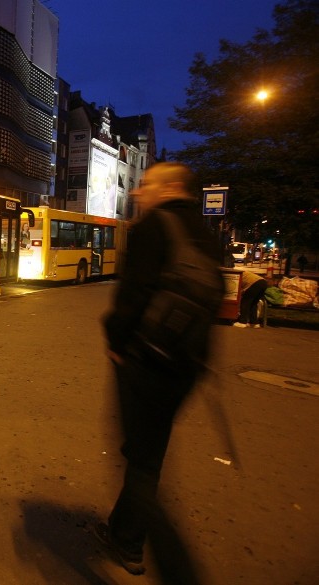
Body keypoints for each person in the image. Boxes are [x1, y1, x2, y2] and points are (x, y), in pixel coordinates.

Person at [99, 162, 221, 580]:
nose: (137, 193)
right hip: (186, 366)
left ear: (170, 188)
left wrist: (116, 344)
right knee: (148, 451)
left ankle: (155, 556)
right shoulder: (207, 234)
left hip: (144, 361)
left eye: (145, 184)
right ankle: (121, 531)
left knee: (142, 460)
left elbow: (131, 298)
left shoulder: (154, 227)